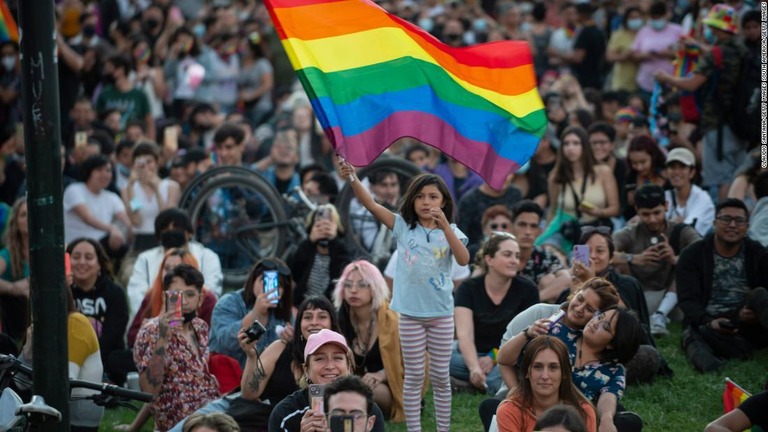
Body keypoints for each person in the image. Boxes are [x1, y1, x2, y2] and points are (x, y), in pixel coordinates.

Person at [339, 162, 469, 432]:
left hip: (441, 315)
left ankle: (442, 429)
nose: (426, 202)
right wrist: (352, 178)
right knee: (413, 375)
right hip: (409, 315)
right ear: (412, 200)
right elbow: (372, 206)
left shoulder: (452, 232)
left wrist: (445, 227)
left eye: (433, 197)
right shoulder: (403, 227)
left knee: (440, 377)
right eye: (420, 196)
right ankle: (414, 429)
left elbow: (464, 257)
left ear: (444, 202)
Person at [168, 296, 338, 432]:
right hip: (256, 417)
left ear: (332, 323)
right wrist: (251, 356)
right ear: (299, 323)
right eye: (307, 317)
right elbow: (250, 393)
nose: (314, 322)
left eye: (322, 317)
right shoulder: (280, 347)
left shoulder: (340, 357)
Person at [654, 4, 747, 201]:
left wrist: (666, 78)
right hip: (742, 122)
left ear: (716, 28)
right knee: (741, 175)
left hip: (717, 123)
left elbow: (691, 84)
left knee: (722, 178)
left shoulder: (714, 54)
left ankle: (725, 218)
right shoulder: (742, 49)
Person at [503, 305, 645, 432]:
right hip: (535, 406)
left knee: (628, 421)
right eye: (599, 316)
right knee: (494, 407)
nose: (596, 323)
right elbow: (507, 359)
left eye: (605, 327)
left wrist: (606, 420)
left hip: (577, 419)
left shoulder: (614, 370)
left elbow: (608, 397)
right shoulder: (558, 332)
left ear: (612, 344)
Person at [676, 199, 768, 372]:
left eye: (739, 220)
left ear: (747, 226)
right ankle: (712, 363)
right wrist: (710, 322)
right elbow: (687, 300)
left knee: (760, 293)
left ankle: (739, 346)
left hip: (748, 321)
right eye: (726, 219)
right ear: (714, 222)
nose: (732, 225)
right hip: (709, 323)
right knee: (694, 333)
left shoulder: (758, 253)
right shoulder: (692, 255)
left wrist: (755, 312)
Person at [134, 264, 219, 431]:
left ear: (200, 299)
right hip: (179, 424)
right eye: (177, 295)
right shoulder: (151, 331)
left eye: (190, 294)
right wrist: (163, 340)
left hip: (211, 415)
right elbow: (149, 392)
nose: (184, 301)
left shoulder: (200, 327)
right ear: (166, 296)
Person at [452, 232, 539, 394]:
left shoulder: (528, 290)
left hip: (508, 356)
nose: (514, 261)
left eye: (517, 256)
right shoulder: (468, 288)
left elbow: (526, 337)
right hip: (472, 353)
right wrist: (474, 368)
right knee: (443, 359)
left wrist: (493, 357)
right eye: (507, 255)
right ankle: (477, 379)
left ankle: (472, 385)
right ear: (489, 259)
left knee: (506, 371)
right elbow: (464, 335)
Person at [612, 184, 700, 336]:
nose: (652, 219)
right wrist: (633, 258)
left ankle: (660, 316)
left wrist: (675, 259)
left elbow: (703, 254)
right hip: (639, 296)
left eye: (657, 213)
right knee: (617, 265)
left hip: (673, 297)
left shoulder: (680, 230)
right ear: (637, 210)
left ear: (666, 206)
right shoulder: (629, 233)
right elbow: (602, 253)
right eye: (646, 214)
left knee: (686, 267)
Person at [20, 282, 105, 431]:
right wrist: (27, 352)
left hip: (77, 420)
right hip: (52, 414)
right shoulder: (37, 328)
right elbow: (20, 384)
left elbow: (64, 384)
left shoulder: (75, 322)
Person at [267, 329, 387, 432]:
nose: (330, 366)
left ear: (349, 366)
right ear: (306, 369)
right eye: (319, 359)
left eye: (337, 358)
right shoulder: (285, 414)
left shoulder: (366, 410)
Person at [333, 260, 406, 421]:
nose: (353, 290)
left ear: (375, 287)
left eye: (362, 284)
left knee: (370, 391)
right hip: (348, 382)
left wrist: (382, 374)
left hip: (386, 387)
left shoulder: (393, 320)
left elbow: (411, 363)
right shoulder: (339, 320)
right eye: (348, 284)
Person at [127, 208, 223, 321]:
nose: (171, 231)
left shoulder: (207, 257)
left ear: (189, 232)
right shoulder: (145, 259)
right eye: (166, 229)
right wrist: (159, 320)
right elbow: (136, 297)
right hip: (155, 320)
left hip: (198, 319)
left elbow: (211, 293)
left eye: (176, 228)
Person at [540, 126, 619, 252]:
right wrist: (545, 234)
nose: (570, 148)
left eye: (576, 143)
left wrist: (597, 212)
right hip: (569, 232)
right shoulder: (556, 177)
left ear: (584, 146)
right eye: (566, 144)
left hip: (596, 231)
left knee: (587, 264)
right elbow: (553, 210)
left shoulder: (603, 171)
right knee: (553, 254)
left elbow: (615, 208)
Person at [495, 336, 596, 432]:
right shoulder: (510, 410)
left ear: (564, 373)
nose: (545, 376)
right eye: (537, 367)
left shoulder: (583, 411)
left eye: (553, 367)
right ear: (526, 372)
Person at [210, 258, 294, 368]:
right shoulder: (229, 302)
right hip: (227, 373)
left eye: (278, 285)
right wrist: (256, 313)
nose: (270, 289)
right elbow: (226, 341)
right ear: (253, 280)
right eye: (264, 281)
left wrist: (290, 342)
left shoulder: (284, 313)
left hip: (263, 377)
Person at [67, 238, 129, 384]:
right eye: (75, 257)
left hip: (104, 357)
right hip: (67, 355)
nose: (82, 262)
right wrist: (64, 290)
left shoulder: (115, 292)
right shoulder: (60, 290)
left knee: (118, 358)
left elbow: (113, 336)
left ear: (99, 264)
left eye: (88, 257)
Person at [63, 154, 132, 261]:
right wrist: (112, 228)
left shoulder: (112, 197)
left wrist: (127, 232)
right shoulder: (74, 190)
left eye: (108, 170)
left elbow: (127, 222)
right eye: (99, 170)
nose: (105, 174)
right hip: (74, 246)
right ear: (89, 171)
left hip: (101, 248)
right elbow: (88, 218)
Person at [121, 141, 181, 252]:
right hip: (139, 242)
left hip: (164, 241)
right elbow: (136, 220)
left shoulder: (171, 186)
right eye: (141, 163)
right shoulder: (127, 188)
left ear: (157, 162)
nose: (146, 167)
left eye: (149, 162)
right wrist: (131, 188)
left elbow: (166, 220)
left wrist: (156, 190)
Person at [289, 204, 351, 306]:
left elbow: (341, 279)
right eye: (318, 225)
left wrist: (334, 241)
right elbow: (293, 278)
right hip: (302, 307)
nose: (323, 229)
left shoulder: (342, 252)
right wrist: (310, 242)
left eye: (329, 224)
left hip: (330, 310)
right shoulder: (303, 250)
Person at [509, 200, 570, 302]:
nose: (528, 232)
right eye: (522, 225)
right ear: (511, 227)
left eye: (533, 226)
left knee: (549, 279)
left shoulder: (544, 255)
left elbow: (566, 279)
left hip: (535, 310)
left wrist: (534, 299)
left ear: (539, 231)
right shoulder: (501, 253)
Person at [663, 147, 715, 237]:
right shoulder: (664, 196)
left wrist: (668, 224)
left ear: (692, 172)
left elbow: (689, 231)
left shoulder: (703, 198)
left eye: (682, 167)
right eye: (672, 167)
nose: (676, 172)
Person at [0, 198, 29, 344]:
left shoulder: (49, 253)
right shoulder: (8, 253)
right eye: (23, 215)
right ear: (16, 222)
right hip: (14, 316)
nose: (29, 218)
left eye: (32, 214)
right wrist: (13, 288)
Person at [605, 7, 642, 93]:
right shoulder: (619, 35)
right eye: (632, 18)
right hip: (623, 82)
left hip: (642, 83)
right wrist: (625, 56)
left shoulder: (645, 34)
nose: (635, 20)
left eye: (637, 17)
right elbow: (609, 56)